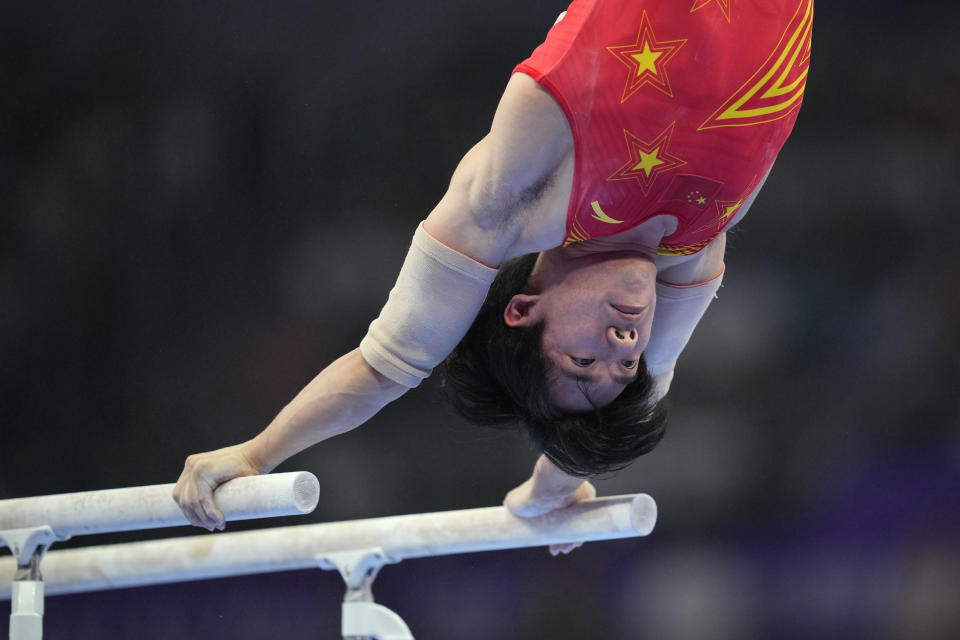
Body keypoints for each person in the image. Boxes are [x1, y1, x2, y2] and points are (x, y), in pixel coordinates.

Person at [174, 0, 813, 554]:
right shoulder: (692, 251)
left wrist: (257, 454)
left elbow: (388, 364)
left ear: (522, 309)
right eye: (620, 368)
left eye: (583, 357)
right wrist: (550, 487)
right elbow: (651, 387)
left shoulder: (514, 200)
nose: (623, 349)